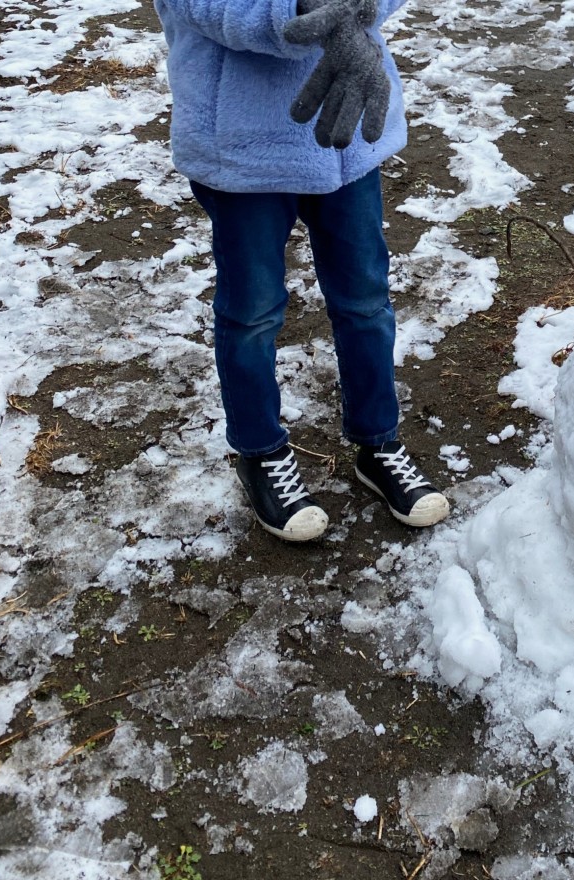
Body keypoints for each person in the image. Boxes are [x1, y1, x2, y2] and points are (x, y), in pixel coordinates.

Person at [154, 0, 449, 540]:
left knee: (364, 299)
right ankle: (260, 452)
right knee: (253, 312)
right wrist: (309, 10)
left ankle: (378, 442)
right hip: (243, 145)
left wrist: (354, 10)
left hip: (348, 129)